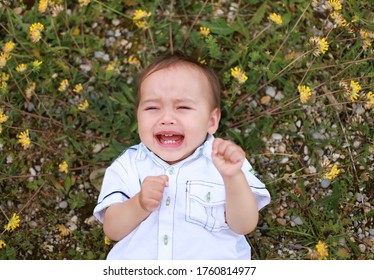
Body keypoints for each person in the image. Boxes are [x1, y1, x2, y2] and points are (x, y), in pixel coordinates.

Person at [93, 51, 270, 259]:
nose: (167, 118)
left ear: (211, 121)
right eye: (152, 107)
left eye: (183, 107)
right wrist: (138, 203)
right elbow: (112, 230)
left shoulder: (225, 162)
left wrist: (233, 178)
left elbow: (245, 225)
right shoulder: (128, 165)